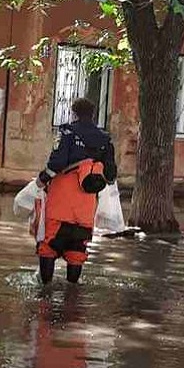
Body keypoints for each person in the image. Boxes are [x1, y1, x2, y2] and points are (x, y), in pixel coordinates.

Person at [33, 97, 117, 284]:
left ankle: (44, 296)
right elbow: (111, 175)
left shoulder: (67, 132)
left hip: (61, 204)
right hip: (86, 210)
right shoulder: (105, 140)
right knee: (77, 251)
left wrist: (41, 180)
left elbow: (57, 163)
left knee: (48, 246)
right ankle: (72, 298)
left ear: (74, 113)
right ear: (93, 114)